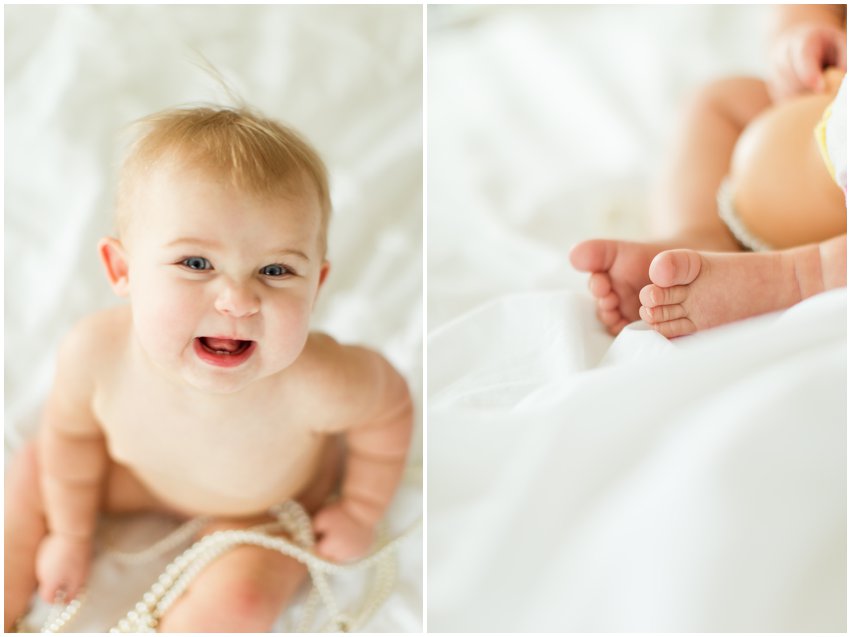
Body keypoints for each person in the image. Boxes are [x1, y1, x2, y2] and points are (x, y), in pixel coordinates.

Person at [4, 106, 414, 631]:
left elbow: (390, 407)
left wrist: (360, 507)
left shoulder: (320, 379)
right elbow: (72, 438)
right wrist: (70, 534)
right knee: (35, 468)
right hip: (134, 476)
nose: (238, 300)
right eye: (197, 264)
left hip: (261, 508)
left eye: (275, 270)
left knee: (241, 602)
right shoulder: (94, 354)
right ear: (122, 270)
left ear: (317, 284)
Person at [570, 5, 847, 338]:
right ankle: (699, 237)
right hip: (805, 124)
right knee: (718, 102)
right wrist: (797, 41)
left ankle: (803, 276)